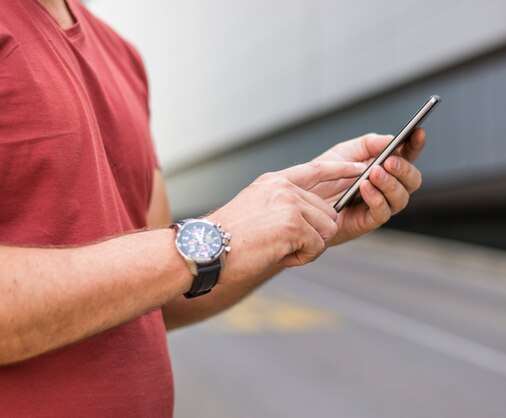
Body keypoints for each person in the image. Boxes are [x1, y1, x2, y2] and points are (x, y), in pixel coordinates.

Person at [0, 0, 426, 416]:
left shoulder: (122, 56)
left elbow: (157, 295)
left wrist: (296, 222)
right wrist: (219, 237)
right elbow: (175, 264)